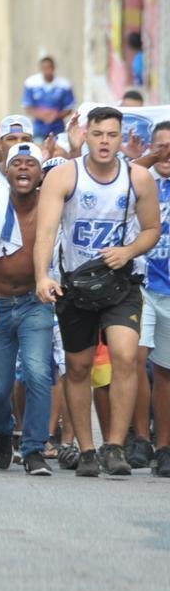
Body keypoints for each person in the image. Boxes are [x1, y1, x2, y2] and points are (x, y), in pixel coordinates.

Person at [34, 106, 161, 477]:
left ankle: (115, 446)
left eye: (112, 135)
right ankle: (87, 449)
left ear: (121, 139)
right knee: (78, 367)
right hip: (76, 283)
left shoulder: (138, 178)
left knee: (124, 355)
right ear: (85, 136)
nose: (105, 142)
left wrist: (129, 251)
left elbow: (151, 229)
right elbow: (45, 231)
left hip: (122, 282)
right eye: (98, 134)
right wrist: (42, 275)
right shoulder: (63, 176)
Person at [0, 142, 55, 476]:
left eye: (31, 163)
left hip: (33, 303)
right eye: (17, 163)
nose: (23, 168)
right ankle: (3, 430)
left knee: (38, 373)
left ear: (41, 173)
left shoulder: (52, 207)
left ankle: (34, 448)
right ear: (6, 171)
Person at [139, 121, 170, 477]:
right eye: (159, 146)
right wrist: (148, 158)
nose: (166, 153)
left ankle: (164, 445)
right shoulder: (142, 180)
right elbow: (125, 177)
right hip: (144, 285)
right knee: (134, 358)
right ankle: (142, 441)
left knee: (165, 371)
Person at [22, 56, 75, 140]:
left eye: (49, 67)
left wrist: (55, 116)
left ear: (54, 68)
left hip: (57, 127)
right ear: (40, 68)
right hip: (39, 127)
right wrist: (41, 115)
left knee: (58, 150)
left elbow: (69, 108)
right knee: (38, 149)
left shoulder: (64, 85)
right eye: (44, 68)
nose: (47, 70)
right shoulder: (31, 83)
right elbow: (27, 106)